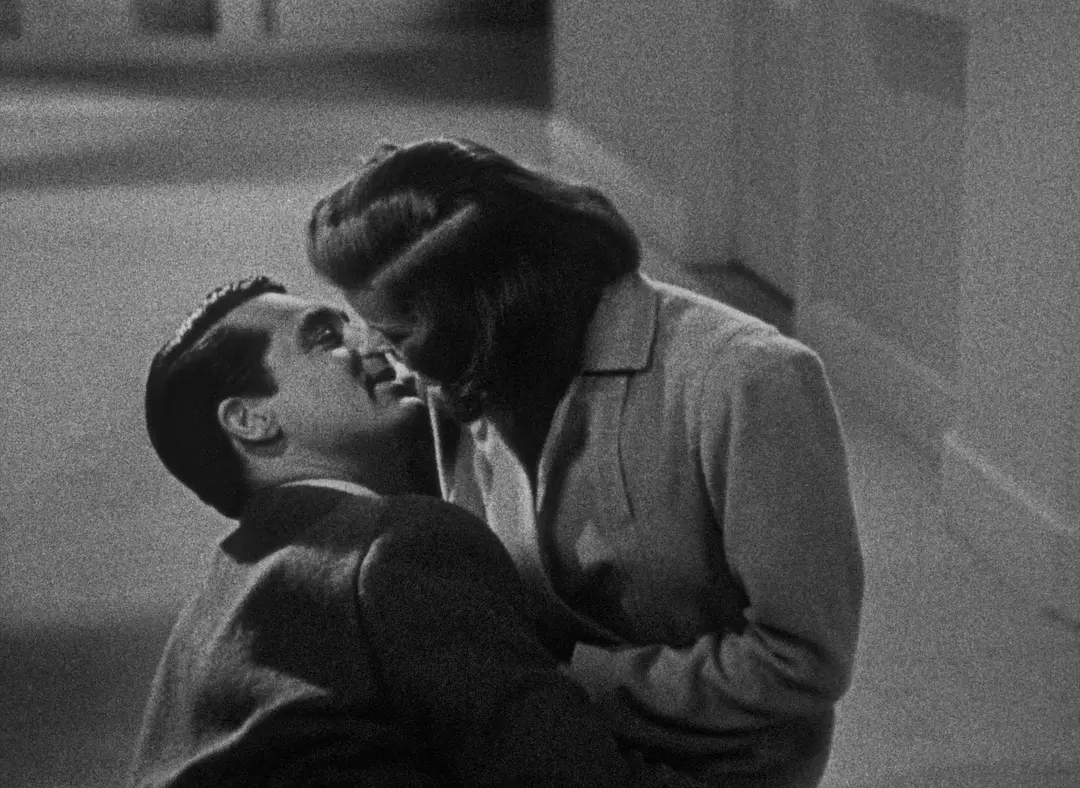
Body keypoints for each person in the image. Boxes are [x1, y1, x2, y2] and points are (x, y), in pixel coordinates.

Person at [306, 138, 866, 788]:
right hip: (537, 729)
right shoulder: (461, 364)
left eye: (396, 334)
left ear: (492, 310)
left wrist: (561, 686)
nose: (374, 349)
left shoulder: (749, 380)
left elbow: (801, 661)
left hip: (710, 764)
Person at [130, 275, 693, 787]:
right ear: (251, 420)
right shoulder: (396, 544)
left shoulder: (205, 622)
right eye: (325, 338)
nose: (375, 345)